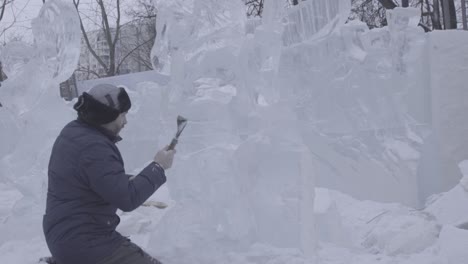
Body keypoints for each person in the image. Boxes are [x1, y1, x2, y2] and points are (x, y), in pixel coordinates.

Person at [43, 83, 175, 264]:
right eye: (123, 115)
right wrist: (159, 166)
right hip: (85, 243)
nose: (125, 122)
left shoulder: (74, 132)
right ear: (108, 116)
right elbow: (127, 199)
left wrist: (129, 180)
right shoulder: (94, 147)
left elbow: (96, 178)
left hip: (63, 234)